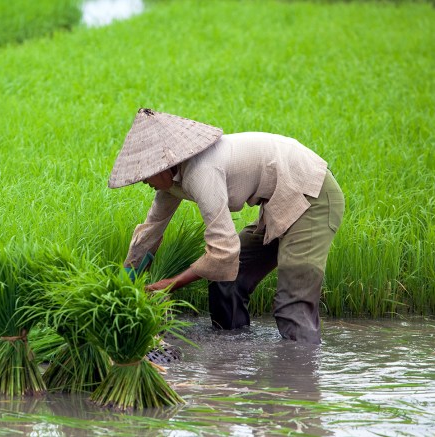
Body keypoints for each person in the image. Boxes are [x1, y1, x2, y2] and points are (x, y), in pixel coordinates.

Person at [109, 108, 345, 344]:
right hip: (280, 201)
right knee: (228, 280)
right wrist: (124, 283)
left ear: (164, 164)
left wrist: (169, 285)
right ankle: (234, 354)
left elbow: (223, 251)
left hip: (312, 195)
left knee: (292, 305)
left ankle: (301, 370)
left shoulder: (202, 172)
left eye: (146, 174)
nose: (143, 181)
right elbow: (151, 231)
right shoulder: (170, 182)